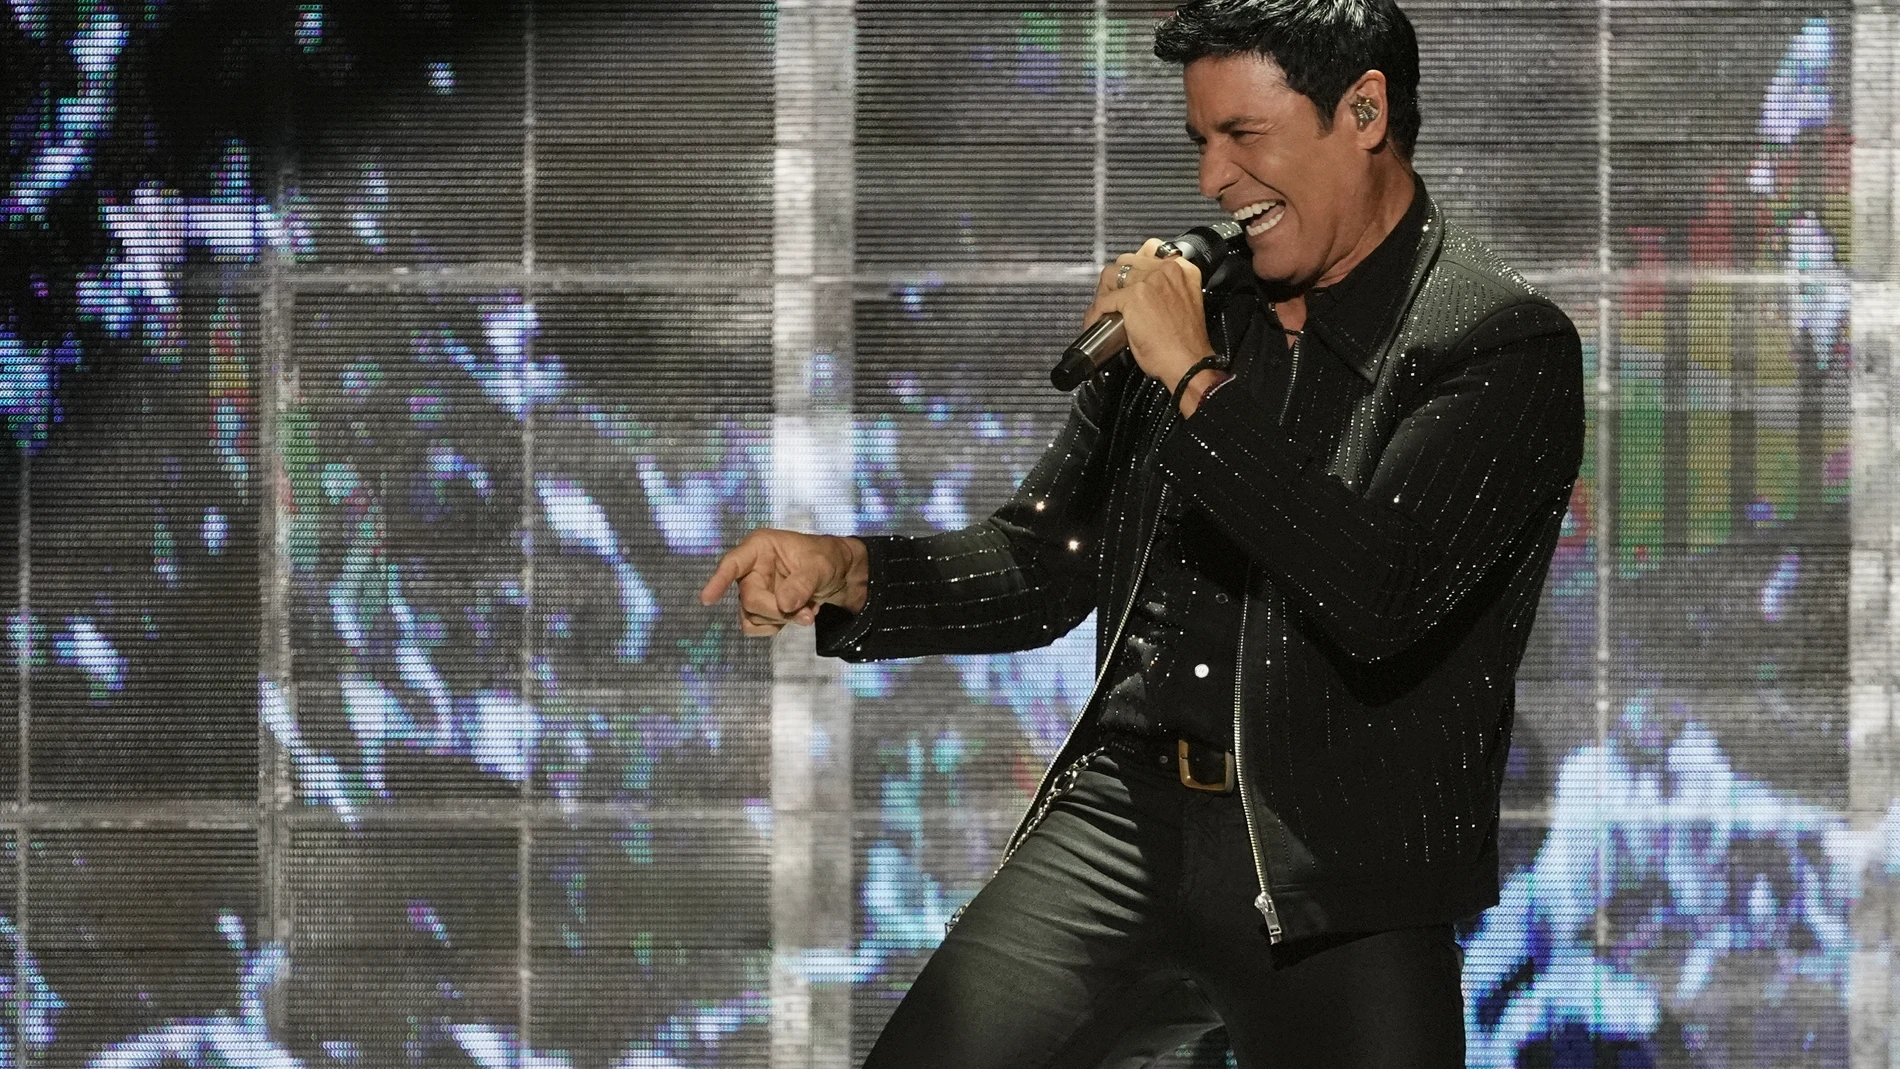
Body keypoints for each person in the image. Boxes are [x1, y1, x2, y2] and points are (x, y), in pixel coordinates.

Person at [700, 0, 1585, 1064]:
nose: (1215, 179)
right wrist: (849, 572)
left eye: (1244, 136)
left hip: (1337, 867)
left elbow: (1377, 591)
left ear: (1363, 110)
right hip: (1122, 817)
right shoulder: (1202, 304)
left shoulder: (1497, 345)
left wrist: (1195, 379)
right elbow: (1044, 561)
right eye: (1201, 141)